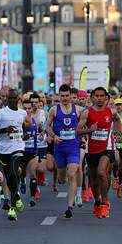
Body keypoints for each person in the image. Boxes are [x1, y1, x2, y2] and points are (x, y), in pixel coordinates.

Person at [78, 86, 122, 219]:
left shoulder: (111, 112)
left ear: (107, 98)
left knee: (102, 172)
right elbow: (77, 131)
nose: (99, 98)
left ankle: (104, 202)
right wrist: (89, 131)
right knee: (93, 181)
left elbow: (118, 120)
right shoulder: (87, 113)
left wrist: (118, 133)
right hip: (91, 149)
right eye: (96, 96)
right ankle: (97, 201)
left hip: (107, 148)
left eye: (102, 96)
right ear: (92, 98)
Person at [0, 89, 27, 221]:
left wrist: (25, 134)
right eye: (9, 98)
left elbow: (23, 128)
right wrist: (5, 130)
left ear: (18, 99)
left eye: (14, 98)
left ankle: (14, 196)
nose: (11, 100)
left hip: (18, 147)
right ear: (6, 100)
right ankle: (15, 196)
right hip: (3, 150)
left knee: (12, 172)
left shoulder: (23, 113)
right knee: (8, 177)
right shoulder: (0, 114)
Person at [47, 84, 83, 219]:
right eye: (62, 96)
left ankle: (69, 207)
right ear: (59, 96)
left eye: (67, 95)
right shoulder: (53, 110)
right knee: (62, 179)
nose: (65, 98)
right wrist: (53, 135)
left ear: (71, 95)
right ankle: (62, 178)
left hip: (73, 147)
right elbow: (47, 126)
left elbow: (85, 123)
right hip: (59, 149)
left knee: (72, 174)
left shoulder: (78, 110)